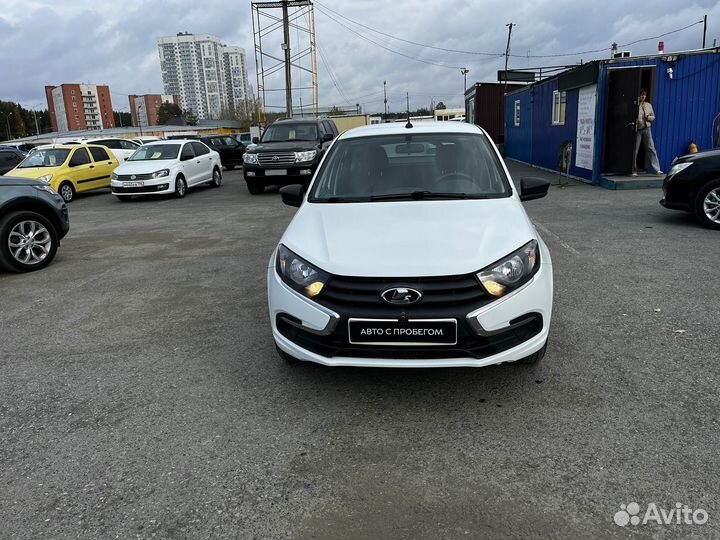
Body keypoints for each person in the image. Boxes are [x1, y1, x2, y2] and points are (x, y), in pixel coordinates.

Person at [632, 89, 663, 176]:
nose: (643, 96)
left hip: (647, 129)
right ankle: (633, 170)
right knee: (635, 150)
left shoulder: (648, 105)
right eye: (641, 95)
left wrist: (649, 118)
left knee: (651, 148)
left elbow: (653, 116)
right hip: (638, 129)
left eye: (644, 95)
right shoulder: (635, 104)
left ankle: (657, 170)